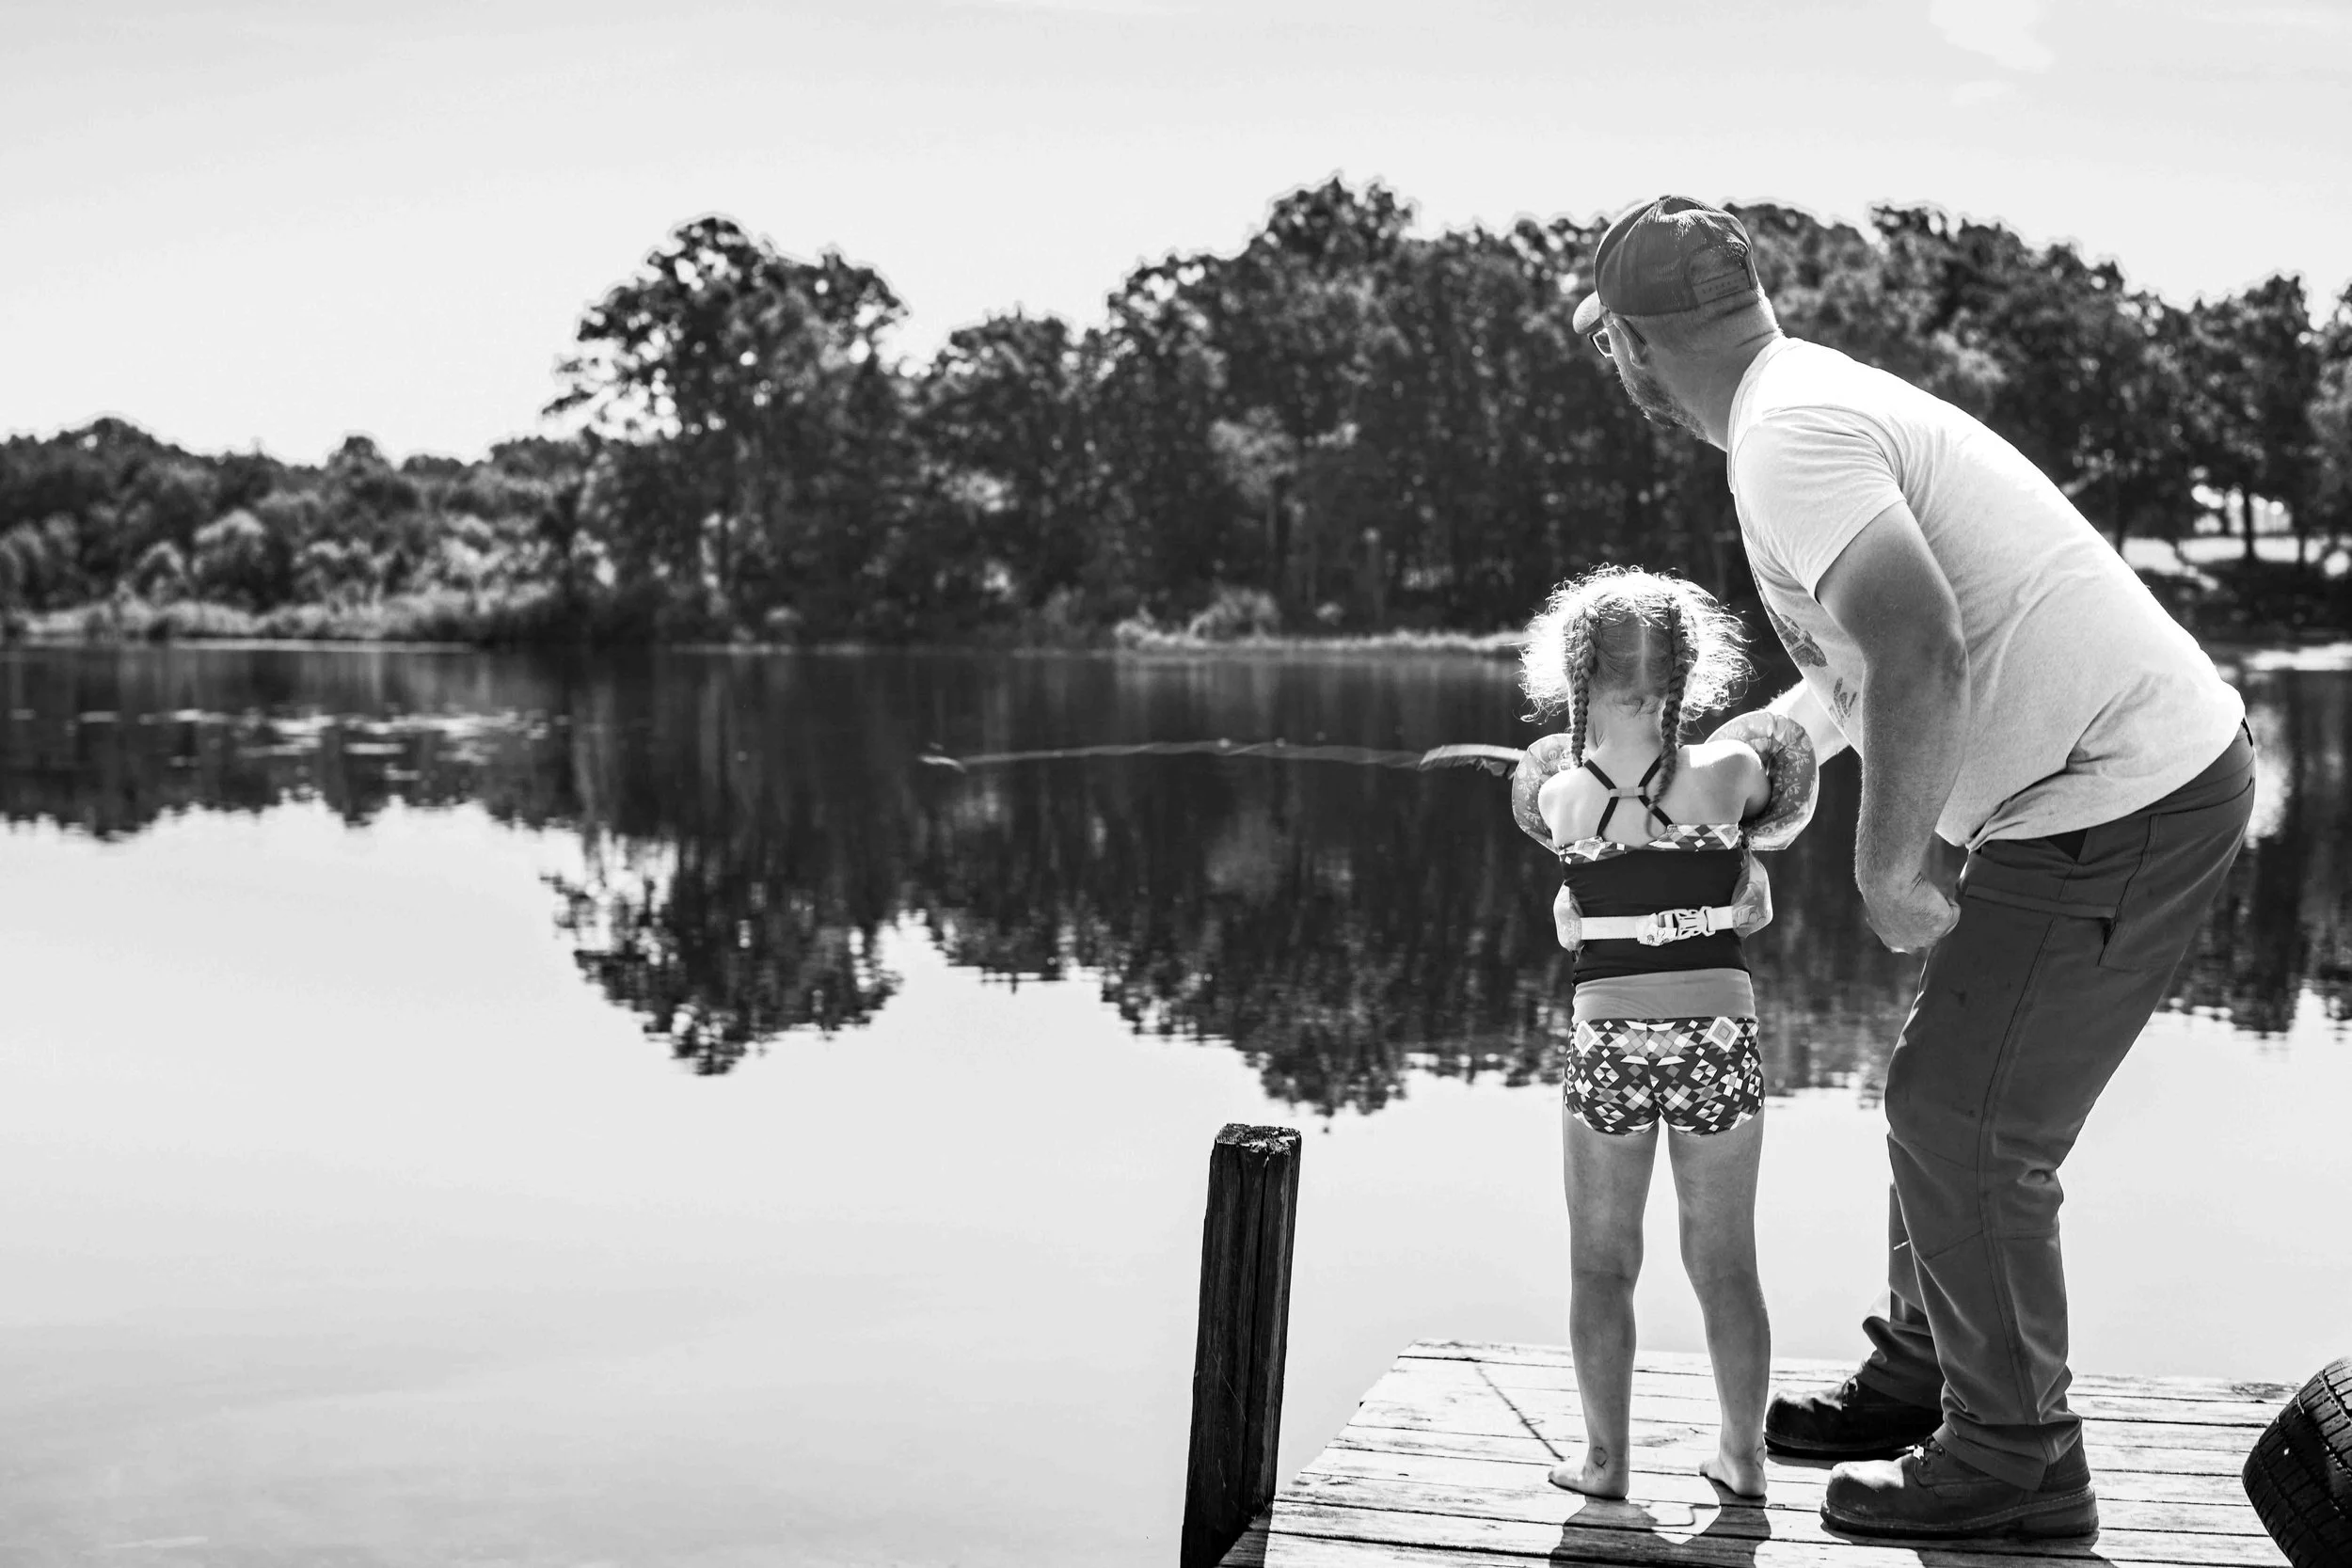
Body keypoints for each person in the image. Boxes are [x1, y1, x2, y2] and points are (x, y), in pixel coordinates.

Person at [1565, 195, 2255, 1541]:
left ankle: (2019, 1453)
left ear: (1636, 350)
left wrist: (1888, 869)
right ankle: (1928, 1370)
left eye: (1614, 347)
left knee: (1966, 1118)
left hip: (2123, 788)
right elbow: (1878, 654)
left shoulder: (1785, 442)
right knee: (1946, 1080)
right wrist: (1788, 730)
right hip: (2086, 781)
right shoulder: (1801, 402)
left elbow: (1927, 645)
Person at [1520, 566, 1776, 1502]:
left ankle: (1605, 1461)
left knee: (1601, 1260)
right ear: (1689, 669)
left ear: (1575, 676)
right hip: (1716, 1033)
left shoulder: (1564, 803)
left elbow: (1573, 914)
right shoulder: (1729, 777)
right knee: (1724, 1260)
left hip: (1609, 1043)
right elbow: (1765, 786)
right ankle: (1743, 1458)